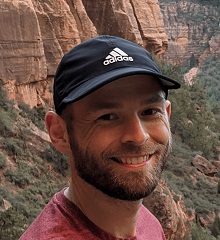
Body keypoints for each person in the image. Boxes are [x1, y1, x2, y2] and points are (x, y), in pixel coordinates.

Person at [19, 35, 180, 240]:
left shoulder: (147, 223)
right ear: (59, 134)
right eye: (108, 117)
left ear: (167, 114)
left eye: (149, 112)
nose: (139, 136)